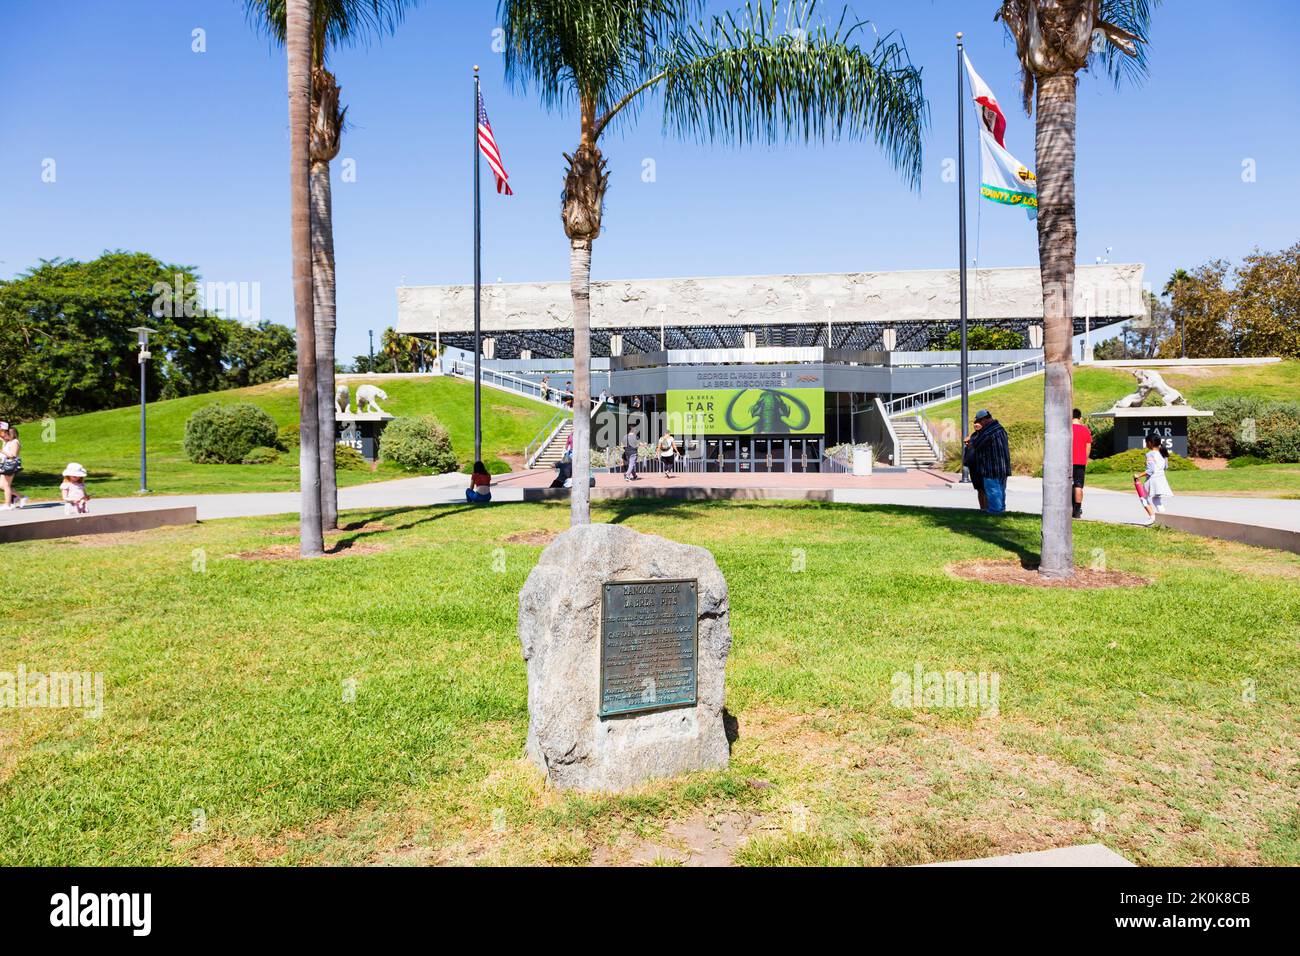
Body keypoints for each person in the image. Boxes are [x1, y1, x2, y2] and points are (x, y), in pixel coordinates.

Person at [967, 409, 1010, 514]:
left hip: (991, 468)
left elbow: (976, 444)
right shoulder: (1000, 428)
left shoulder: (989, 431)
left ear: (985, 419)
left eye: (980, 421)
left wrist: (971, 442)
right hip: (1003, 468)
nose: (979, 424)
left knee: (993, 491)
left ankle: (995, 512)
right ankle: (1001, 511)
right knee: (1000, 491)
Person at [1137, 435, 1174, 525]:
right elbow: (1166, 467)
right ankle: (1165, 520)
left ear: (1150, 443)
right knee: (1156, 500)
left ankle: (1152, 517)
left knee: (1143, 498)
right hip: (1161, 479)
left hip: (1152, 480)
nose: (1146, 444)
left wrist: (1138, 475)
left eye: (1146, 442)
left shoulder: (1150, 454)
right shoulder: (1163, 453)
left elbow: (1150, 470)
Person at [1071, 408, 1092, 519]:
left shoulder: (1066, 429)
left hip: (1067, 462)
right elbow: (1088, 446)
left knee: (1066, 485)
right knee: (1078, 485)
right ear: (1080, 418)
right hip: (1080, 461)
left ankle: (1068, 507)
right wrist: (1085, 459)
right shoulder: (1085, 430)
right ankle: (1077, 510)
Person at [962, 420, 986, 511]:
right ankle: (982, 509)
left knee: (985, 489)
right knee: (979, 489)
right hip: (974, 467)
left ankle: (987, 509)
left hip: (982, 466)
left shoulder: (985, 435)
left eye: (978, 423)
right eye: (975, 423)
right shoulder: (973, 435)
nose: (976, 425)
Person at [0, 424, 26, 510]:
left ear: (13, 434)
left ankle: (7, 504)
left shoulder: (15, 442)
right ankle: (21, 497)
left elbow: (13, 455)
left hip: (11, 464)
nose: (5, 435)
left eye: (7, 433)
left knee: (6, 485)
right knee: (2, 485)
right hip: (5, 464)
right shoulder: (7, 442)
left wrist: (2, 451)